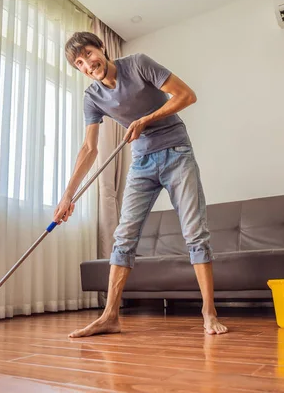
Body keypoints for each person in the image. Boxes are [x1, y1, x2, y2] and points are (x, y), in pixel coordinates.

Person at [54, 31, 228, 337]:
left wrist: (146, 120)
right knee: (123, 238)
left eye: (89, 55)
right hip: (141, 163)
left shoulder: (137, 64)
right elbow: (89, 149)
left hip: (177, 153)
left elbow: (186, 95)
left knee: (194, 232)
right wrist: (68, 196)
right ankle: (110, 316)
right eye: (79, 63)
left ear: (101, 49)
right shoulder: (92, 97)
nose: (87, 64)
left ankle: (208, 312)